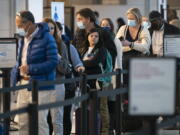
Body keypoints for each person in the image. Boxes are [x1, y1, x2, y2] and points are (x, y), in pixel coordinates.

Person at [11, 10, 58, 135]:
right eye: (17, 25)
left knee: (40, 121)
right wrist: (13, 78)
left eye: (20, 25)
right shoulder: (22, 39)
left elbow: (53, 62)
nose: (18, 28)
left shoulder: (46, 38)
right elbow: (19, 61)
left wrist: (31, 68)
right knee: (23, 121)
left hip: (41, 85)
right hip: (24, 84)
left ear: (30, 23)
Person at [55, 21, 85, 135]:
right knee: (48, 117)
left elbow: (77, 62)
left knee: (65, 115)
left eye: (54, 29)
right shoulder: (44, 46)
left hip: (67, 85)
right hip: (48, 85)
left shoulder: (68, 46)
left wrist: (79, 67)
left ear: (60, 31)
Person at [82, 28, 112, 135]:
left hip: (99, 82)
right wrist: (84, 62)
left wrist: (82, 63)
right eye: (91, 36)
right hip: (85, 83)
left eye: (96, 36)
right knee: (88, 108)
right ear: (87, 37)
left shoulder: (102, 49)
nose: (93, 38)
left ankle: (105, 132)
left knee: (102, 108)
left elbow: (95, 62)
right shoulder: (84, 49)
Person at [116, 8, 151, 86]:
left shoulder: (144, 30)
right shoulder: (123, 28)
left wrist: (129, 44)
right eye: (128, 18)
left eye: (132, 19)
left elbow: (145, 47)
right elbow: (117, 47)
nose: (129, 20)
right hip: (124, 62)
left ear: (138, 18)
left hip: (139, 62)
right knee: (124, 85)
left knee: (137, 85)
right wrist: (133, 44)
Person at [100, 18, 123, 134]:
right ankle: (106, 127)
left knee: (112, 102)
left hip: (114, 75)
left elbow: (118, 59)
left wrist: (118, 75)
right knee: (104, 104)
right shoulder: (99, 39)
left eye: (107, 25)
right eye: (102, 25)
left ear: (111, 26)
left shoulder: (115, 39)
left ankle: (112, 127)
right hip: (103, 76)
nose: (105, 27)